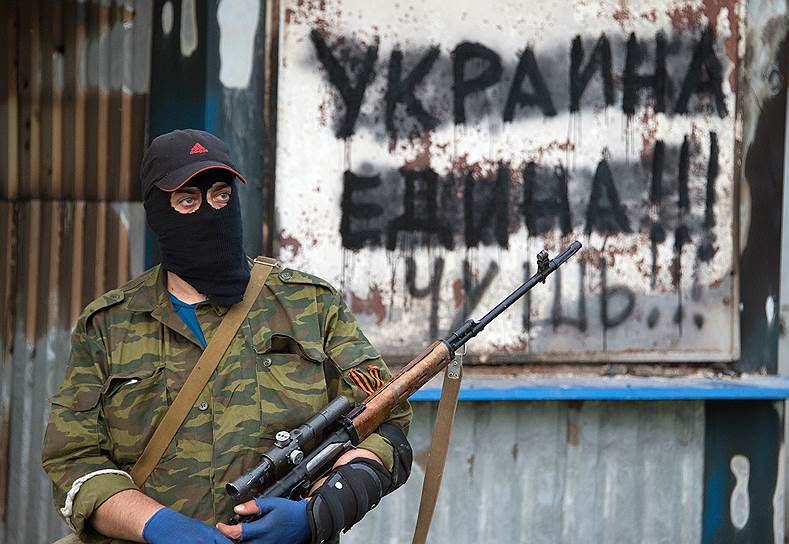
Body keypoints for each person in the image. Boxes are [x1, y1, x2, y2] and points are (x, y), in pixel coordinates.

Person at [42, 129, 413, 544]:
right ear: (158, 213)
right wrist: (156, 524)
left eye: (221, 195)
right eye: (188, 201)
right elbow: (72, 458)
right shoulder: (108, 326)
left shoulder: (310, 307)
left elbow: (388, 425)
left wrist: (319, 512)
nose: (210, 211)